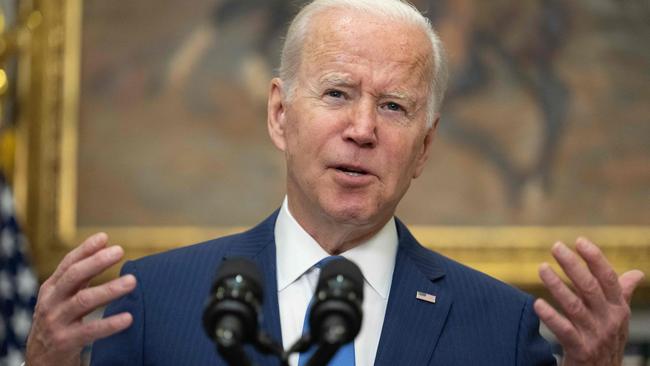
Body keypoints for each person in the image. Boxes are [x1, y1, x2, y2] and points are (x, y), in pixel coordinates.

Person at [25, 0, 644, 365]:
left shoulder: (500, 329)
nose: (363, 129)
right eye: (337, 94)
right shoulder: (154, 304)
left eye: (395, 107)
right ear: (279, 114)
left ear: (425, 146)